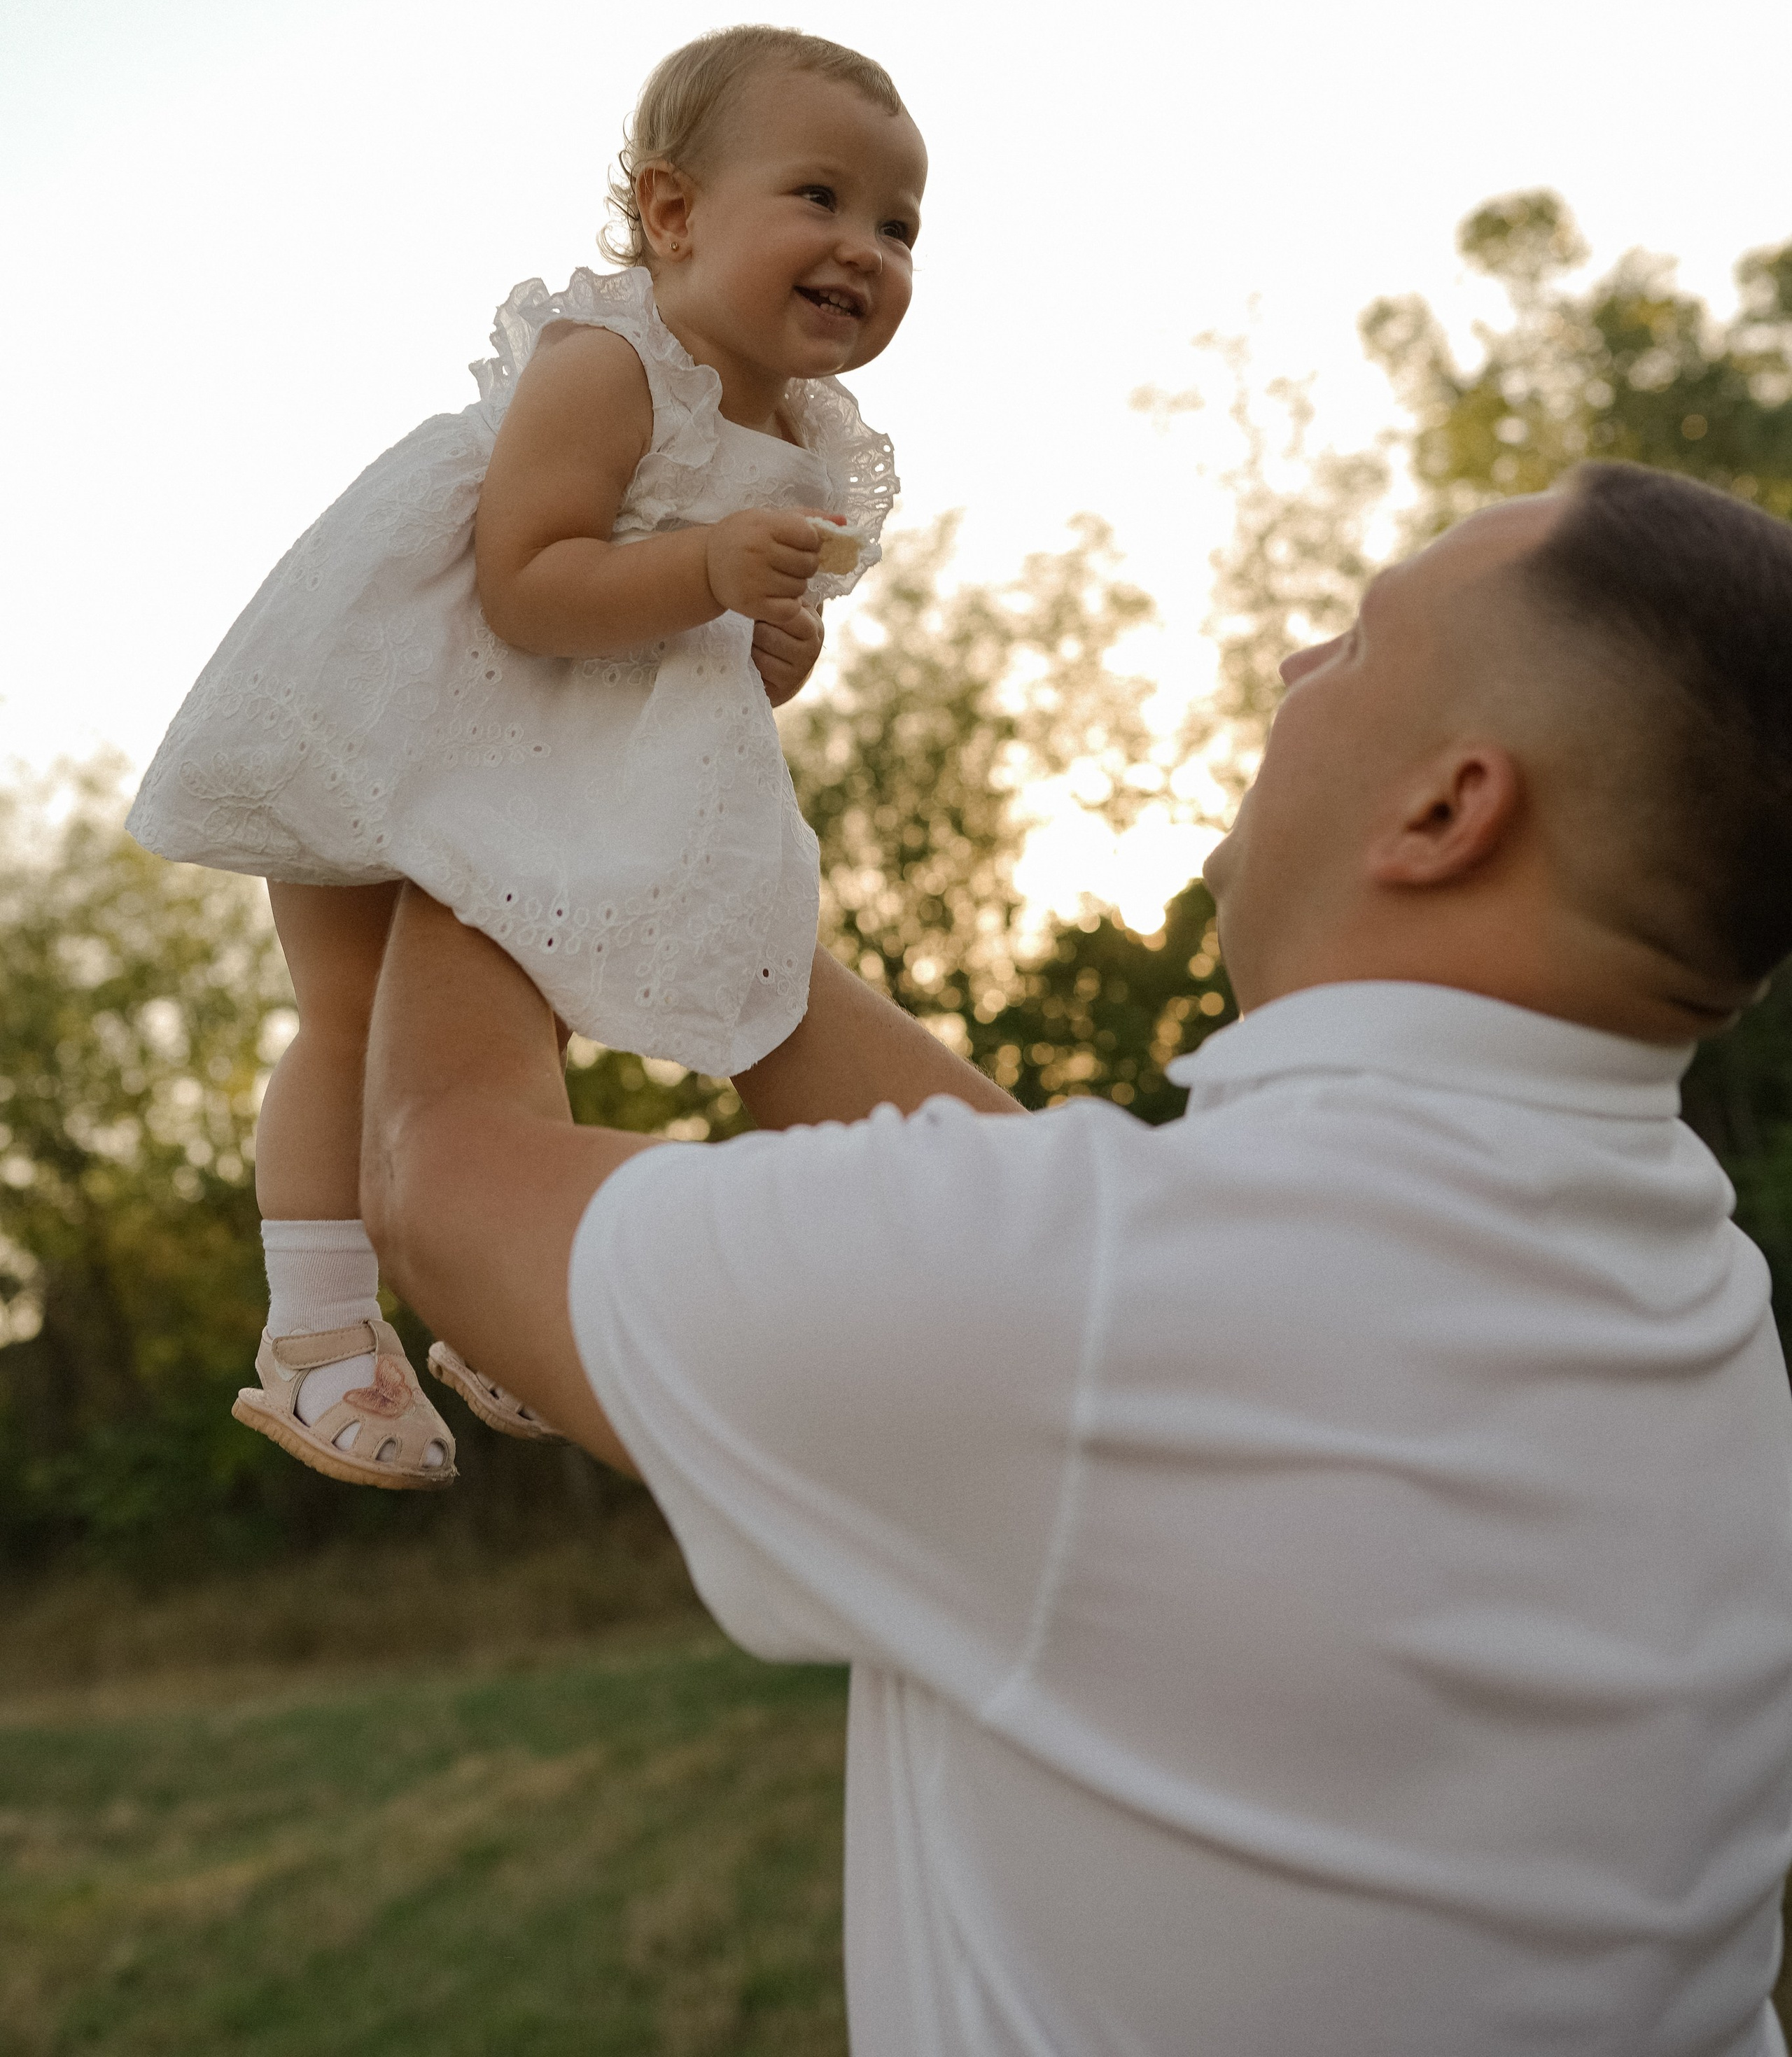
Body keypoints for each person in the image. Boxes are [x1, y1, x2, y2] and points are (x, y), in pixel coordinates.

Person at [360, 461, 1792, 2057]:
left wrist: (502, 746)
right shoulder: (1689, 1291)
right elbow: (1081, 1264)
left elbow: (438, 1173)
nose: (1288, 665)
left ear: (1448, 809)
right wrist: (676, 796)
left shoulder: (1110, 1302)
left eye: (1358, 644)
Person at [127, 24, 923, 1489]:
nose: (861, 247)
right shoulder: (610, 361)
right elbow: (527, 587)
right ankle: (315, 1333)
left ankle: (494, 1291)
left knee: (518, 1011)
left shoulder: (804, 439)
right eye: (816, 198)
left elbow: (669, 666)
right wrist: (702, 572)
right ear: (674, 212)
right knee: (357, 1011)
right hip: (400, 713)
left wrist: (762, 650)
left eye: (896, 223)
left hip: (541, 753)